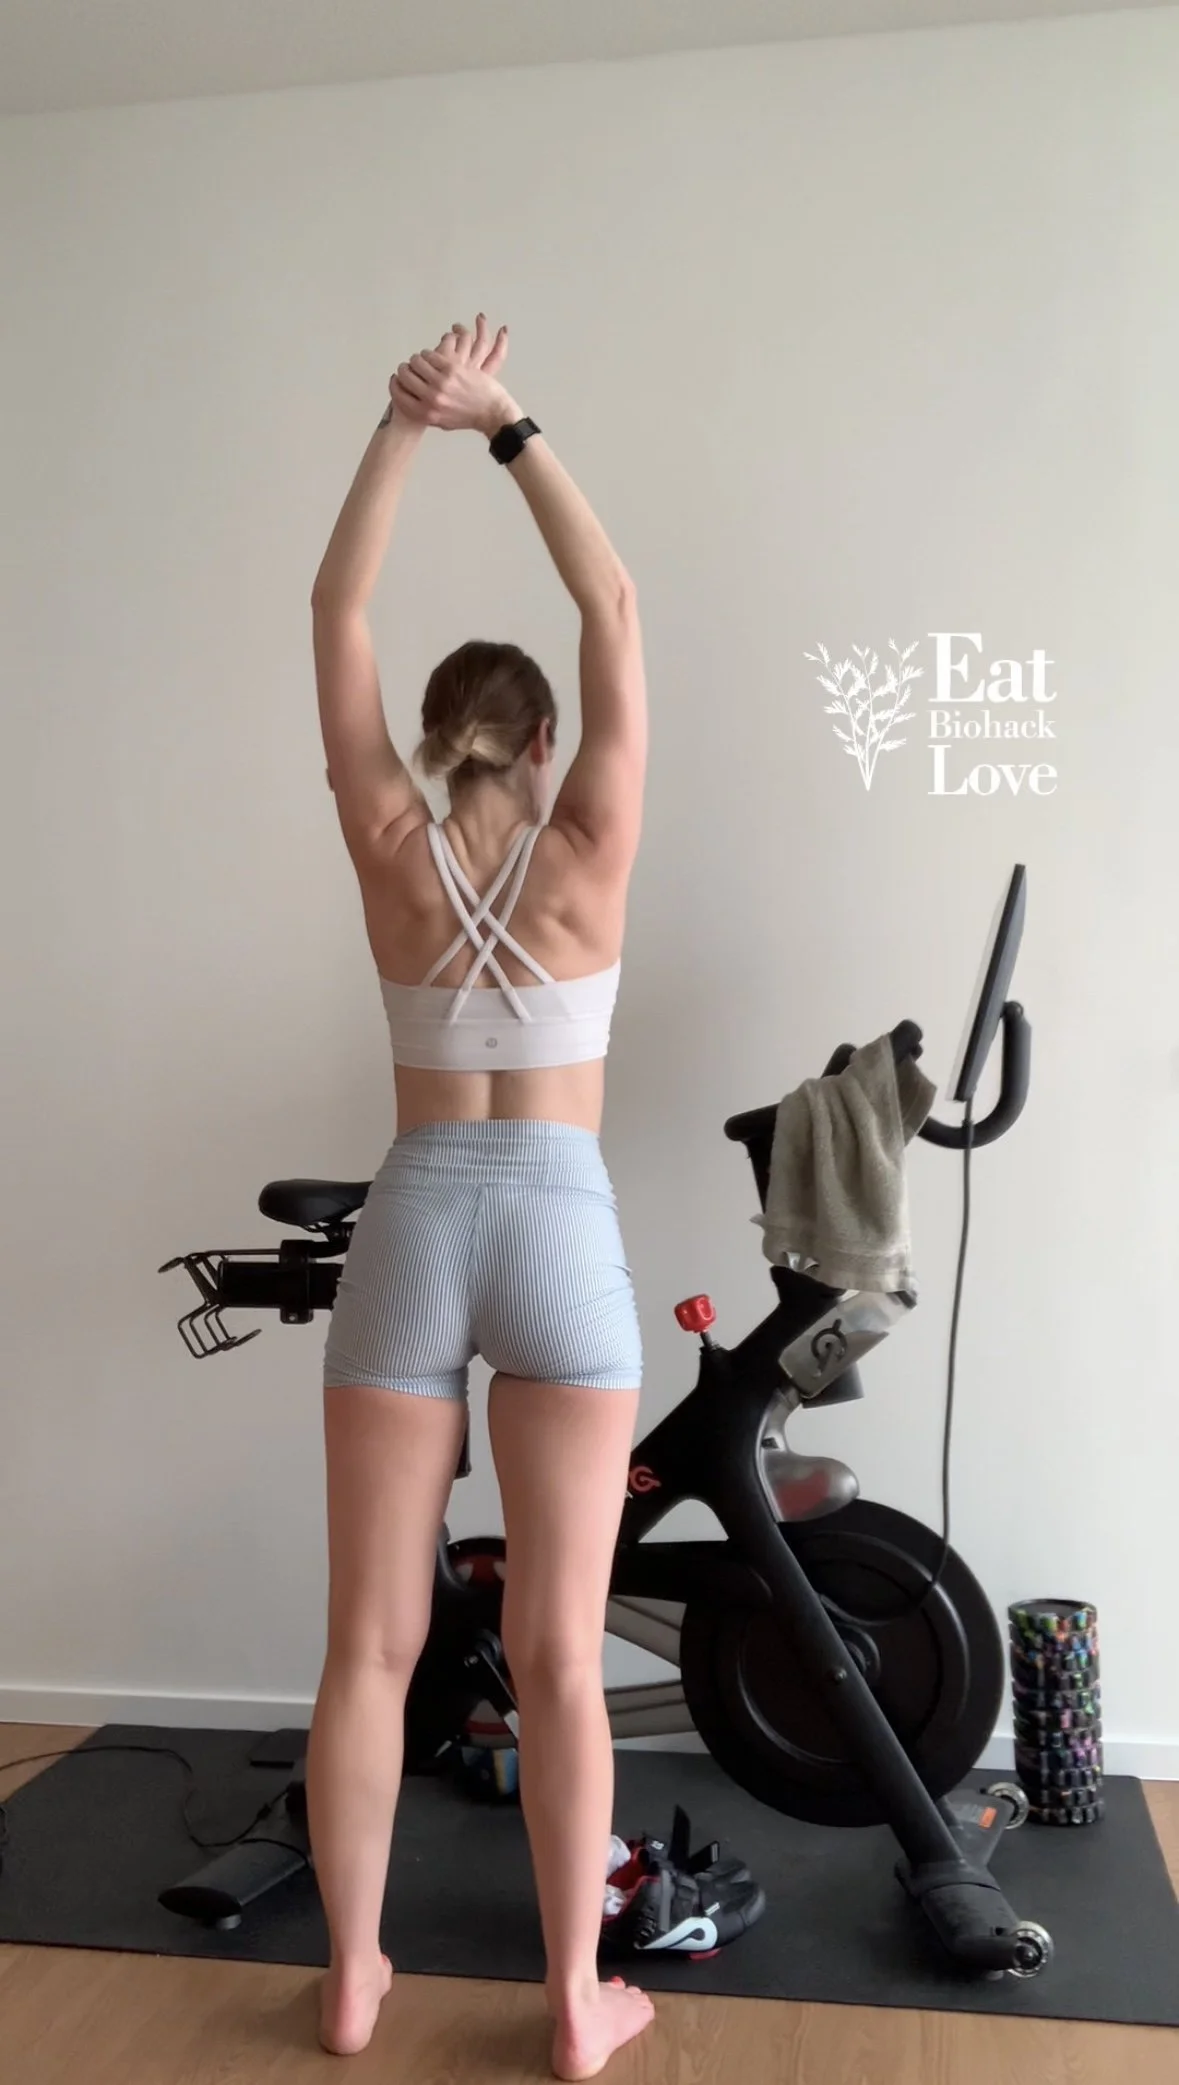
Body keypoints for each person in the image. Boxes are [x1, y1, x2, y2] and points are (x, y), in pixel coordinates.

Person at [305, 315, 652, 2082]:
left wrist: (400, 426)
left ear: (441, 740)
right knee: (558, 1659)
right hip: (559, 1229)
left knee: (371, 1648)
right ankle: (576, 2002)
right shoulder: (588, 848)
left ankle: (353, 1976)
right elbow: (615, 608)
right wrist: (505, 425)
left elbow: (334, 609)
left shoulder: (391, 848)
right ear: (539, 737)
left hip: (418, 1218)